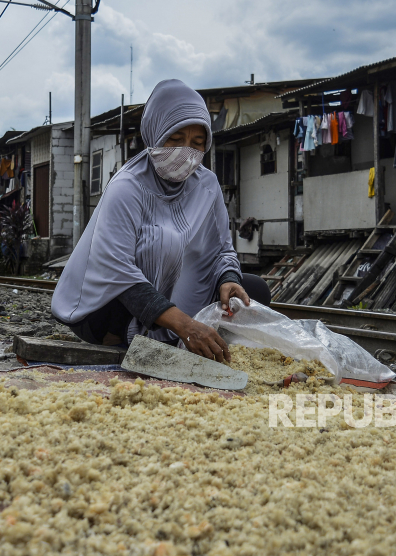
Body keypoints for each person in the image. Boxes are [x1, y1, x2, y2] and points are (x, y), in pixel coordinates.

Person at [51, 79, 271, 363]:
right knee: (128, 279)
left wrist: (228, 279)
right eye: (175, 140)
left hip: (181, 296)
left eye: (197, 143)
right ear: (155, 133)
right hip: (109, 311)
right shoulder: (127, 187)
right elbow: (116, 270)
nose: (186, 152)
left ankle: (198, 335)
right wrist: (186, 326)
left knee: (254, 291)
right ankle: (119, 341)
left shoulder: (207, 185)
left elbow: (222, 251)